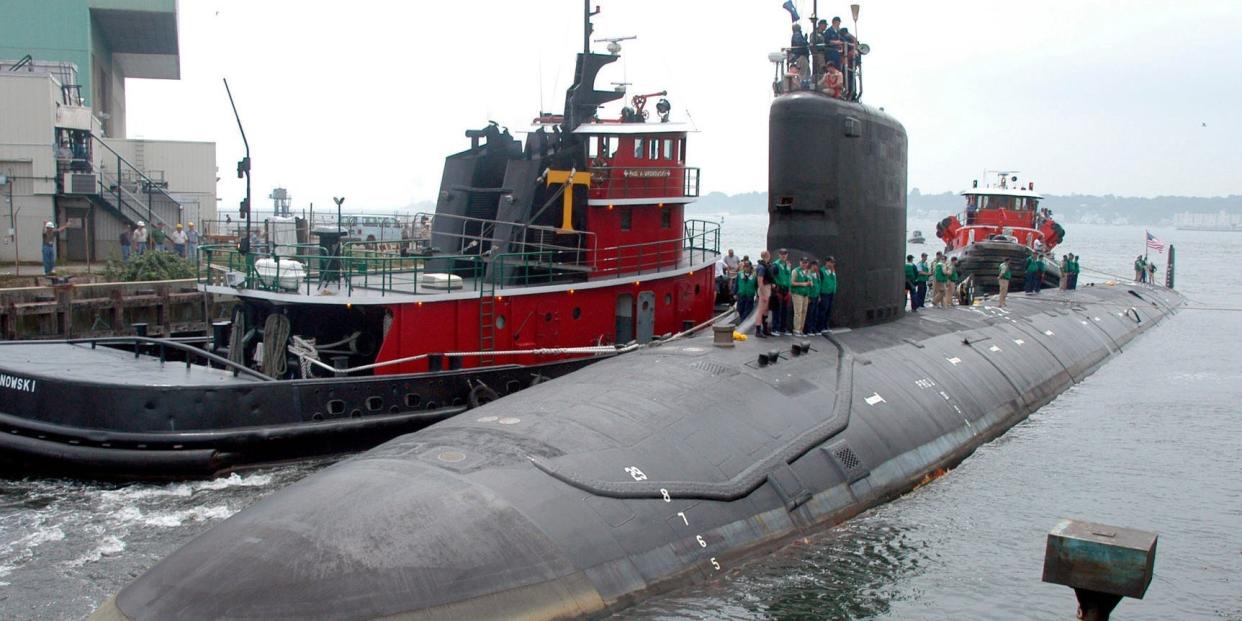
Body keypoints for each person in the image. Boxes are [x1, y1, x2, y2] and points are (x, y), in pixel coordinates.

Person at [772, 249, 793, 335]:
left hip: (786, 290)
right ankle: (775, 328)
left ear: (787, 255)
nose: (783, 255)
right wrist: (774, 286)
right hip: (778, 290)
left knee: (785, 310)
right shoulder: (775, 265)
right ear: (779, 255)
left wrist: (790, 290)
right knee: (777, 310)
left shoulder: (787, 265)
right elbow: (771, 276)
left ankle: (783, 328)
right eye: (781, 254)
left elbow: (788, 277)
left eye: (785, 254)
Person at [790, 257, 814, 336]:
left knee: (804, 312)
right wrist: (803, 284)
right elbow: (792, 283)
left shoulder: (808, 272)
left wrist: (810, 284)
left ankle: (801, 329)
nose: (804, 264)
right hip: (797, 294)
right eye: (803, 262)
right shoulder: (795, 271)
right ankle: (796, 329)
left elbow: (810, 282)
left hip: (805, 294)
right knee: (798, 312)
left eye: (806, 263)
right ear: (800, 262)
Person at [754, 250, 773, 338]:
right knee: (761, 310)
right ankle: (758, 330)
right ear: (767, 256)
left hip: (768, 288)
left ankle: (765, 329)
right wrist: (763, 294)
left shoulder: (766, 266)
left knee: (765, 310)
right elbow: (760, 282)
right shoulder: (761, 267)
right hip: (764, 289)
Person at [819, 256, 837, 331]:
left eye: (833, 262)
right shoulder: (822, 271)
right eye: (831, 262)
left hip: (831, 293)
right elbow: (819, 282)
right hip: (824, 293)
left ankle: (826, 326)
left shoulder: (832, 271)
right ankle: (821, 327)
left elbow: (834, 281)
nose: (832, 264)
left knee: (829, 310)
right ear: (827, 262)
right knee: (823, 310)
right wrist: (819, 294)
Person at [805, 259, 822, 334]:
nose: (817, 267)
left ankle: (813, 328)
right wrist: (808, 296)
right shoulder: (808, 273)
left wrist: (819, 296)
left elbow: (818, 285)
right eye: (815, 265)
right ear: (812, 265)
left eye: (817, 265)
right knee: (810, 314)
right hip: (811, 296)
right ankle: (808, 329)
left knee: (815, 313)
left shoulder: (817, 274)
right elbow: (807, 286)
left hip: (816, 296)